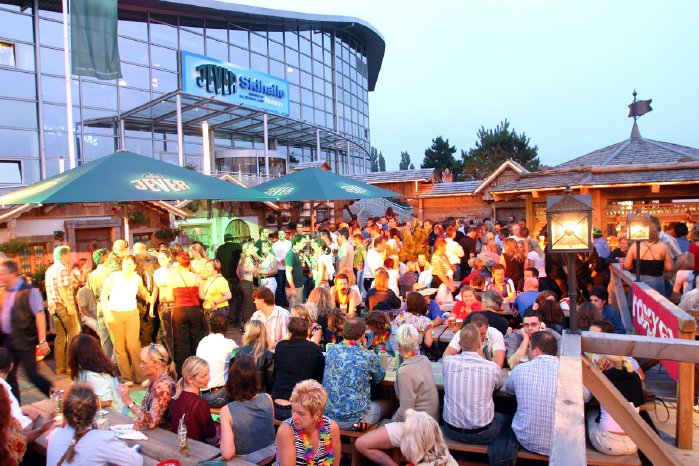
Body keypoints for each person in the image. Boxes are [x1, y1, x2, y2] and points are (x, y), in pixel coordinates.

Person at [494, 332, 589, 462]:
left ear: (536, 351)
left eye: (529, 348)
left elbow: (510, 390)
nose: (528, 351)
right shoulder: (570, 372)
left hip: (525, 439)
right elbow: (586, 396)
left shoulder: (521, 369)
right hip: (562, 445)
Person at [47, 384, 142, 466]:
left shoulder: (54, 435)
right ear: (95, 411)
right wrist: (122, 446)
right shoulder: (102, 440)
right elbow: (137, 462)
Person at [442, 323, 504, 445]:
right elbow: (498, 386)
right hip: (482, 434)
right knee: (505, 418)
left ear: (459, 344)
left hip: (451, 430)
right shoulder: (491, 367)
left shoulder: (447, 362)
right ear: (480, 344)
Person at [0, 260, 52, 403]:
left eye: (3, 274)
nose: (1, 277)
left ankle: (56, 396)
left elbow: (40, 315)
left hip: (24, 339)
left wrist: (42, 341)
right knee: (8, 375)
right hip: (9, 340)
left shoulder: (29, 291)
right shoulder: (5, 292)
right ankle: (15, 408)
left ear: (12, 274)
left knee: (32, 375)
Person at [323, 317, 388, 430]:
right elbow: (379, 378)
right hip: (356, 422)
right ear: (363, 335)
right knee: (387, 404)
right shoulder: (368, 356)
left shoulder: (332, 350)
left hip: (329, 418)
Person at [101, 255, 150, 384]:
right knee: (120, 348)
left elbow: (142, 291)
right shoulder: (114, 277)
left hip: (131, 313)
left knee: (133, 346)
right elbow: (103, 296)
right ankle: (126, 377)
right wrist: (107, 313)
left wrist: (149, 297)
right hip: (114, 314)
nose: (126, 266)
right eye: (124, 263)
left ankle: (141, 376)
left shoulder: (137, 278)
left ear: (134, 266)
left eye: (129, 264)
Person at [220, 354, 277, 462]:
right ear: (255, 378)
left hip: (245, 461)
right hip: (270, 457)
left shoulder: (226, 411)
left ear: (232, 381)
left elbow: (228, 454)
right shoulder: (268, 398)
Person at [587, 355, 644, 456]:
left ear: (607, 361)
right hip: (634, 443)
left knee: (590, 413)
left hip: (608, 444)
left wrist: (599, 371)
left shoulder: (604, 376)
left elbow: (587, 397)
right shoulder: (636, 378)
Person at [275, 379, 341, 466]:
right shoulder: (286, 431)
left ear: (317, 414)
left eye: (301, 414)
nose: (294, 417)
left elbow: (335, 463)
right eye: (293, 410)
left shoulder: (331, 428)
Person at [271, 317, 325, 420]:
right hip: (299, 407)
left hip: (276, 404)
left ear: (290, 332)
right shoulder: (313, 348)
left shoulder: (281, 346)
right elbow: (319, 377)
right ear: (306, 332)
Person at [117, 344, 175, 430]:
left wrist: (128, 401)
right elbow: (144, 410)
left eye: (144, 362)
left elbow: (151, 421)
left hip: (163, 437)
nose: (140, 366)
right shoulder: (154, 380)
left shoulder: (163, 385)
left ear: (157, 364)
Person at [45, 245, 80, 376]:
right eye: (68, 255)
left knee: (60, 337)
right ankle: (70, 367)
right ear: (63, 255)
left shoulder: (50, 270)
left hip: (54, 307)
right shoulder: (62, 269)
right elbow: (61, 288)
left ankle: (59, 368)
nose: (69, 257)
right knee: (73, 334)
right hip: (63, 306)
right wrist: (69, 306)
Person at [391, 324, 438, 422]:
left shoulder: (404, 372)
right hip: (432, 420)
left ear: (398, 345)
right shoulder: (425, 360)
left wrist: (391, 421)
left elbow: (406, 411)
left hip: (419, 425)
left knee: (365, 438)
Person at [168, 252, 205, 376]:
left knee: (180, 342)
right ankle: (197, 370)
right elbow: (202, 296)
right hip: (194, 310)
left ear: (178, 264)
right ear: (189, 263)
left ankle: (183, 372)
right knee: (196, 339)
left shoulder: (172, 278)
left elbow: (168, 297)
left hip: (179, 310)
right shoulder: (196, 277)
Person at [68, 334, 125, 413]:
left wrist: (81, 403)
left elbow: (107, 402)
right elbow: (74, 388)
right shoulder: (85, 370)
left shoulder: (93, 375)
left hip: (112, 415)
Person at [169, 356, 217, 444]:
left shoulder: (176, 396)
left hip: (179, 445)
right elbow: (211, 438)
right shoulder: (200, 404)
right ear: (190, 379)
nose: (209, 378)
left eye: (208, 374)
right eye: (204, 376)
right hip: (197, 451)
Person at [196, 312, 238, 408]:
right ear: (226, 327)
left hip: (202, 393)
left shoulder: (202, 342)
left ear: (210, 326)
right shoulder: (230, 344)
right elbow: (240, 360)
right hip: (219, 395)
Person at [624, 223, 673, 295]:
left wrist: (634, 266)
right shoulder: (663, 247)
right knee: (656, 304)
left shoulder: (635, 246)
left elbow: (627, 265)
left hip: (638, 280)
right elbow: (669, 267)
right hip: (656, 282)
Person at [88, 248, 114, 359]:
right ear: (104, 257)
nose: (110, 258)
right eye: (108, 256)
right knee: (115, 337)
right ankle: (118, 366)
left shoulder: (92, 274)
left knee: (104, 339)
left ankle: (107, 364)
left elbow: (92, 292)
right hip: (110, 303)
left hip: (99, 305)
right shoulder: (109, 272)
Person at [236, 320, 275, 393]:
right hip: (260, 396)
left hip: (241, 396)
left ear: (248, 334)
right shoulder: (268, 355)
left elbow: (232, 379)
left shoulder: (236, 353)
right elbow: (270, 382)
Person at [151, 250, 175, 361]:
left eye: (163, 258)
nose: (160, 261)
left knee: (174, 332)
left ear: (169, 258)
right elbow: (155, 289)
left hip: (174, 304)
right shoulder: (157, 272)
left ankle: (175, 357)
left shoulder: (174, 271)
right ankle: (170, 357)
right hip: (162, 304)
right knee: (165, 334)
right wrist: (152, 304)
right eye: (159, 259)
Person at [216, 232, 243, 326]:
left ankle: (228, 319)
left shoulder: (220, 248)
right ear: (233, 239)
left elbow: (218, 263)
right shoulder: (238, 247)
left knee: (227, 298)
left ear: (224, 240)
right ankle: (237, 319)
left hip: (224, 277)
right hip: (236, 276)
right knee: (237, 298)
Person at [133, 242, 157, 348]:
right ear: (144, 250)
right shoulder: (149, 264)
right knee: (146, 329)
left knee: (138, 331)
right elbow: (151, 285)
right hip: (145, 300)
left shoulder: (133, 264)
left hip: (137, 301)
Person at [238, 241, 259, 329]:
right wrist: (254, 270)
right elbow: (245, 268)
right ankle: (246, 325)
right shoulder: (247, 258)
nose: (253, 249)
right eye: (251, 248)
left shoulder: (242, 258)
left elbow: (237, 270)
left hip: (243, 283)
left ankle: (244, 324)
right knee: (248, 304)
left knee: (245, 304)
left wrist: (241, 279)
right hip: (247, 283)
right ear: (247, 249)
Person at [285, 234, 307, 308]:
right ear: (297, 242)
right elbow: (288, 272)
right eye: (303, 242)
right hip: (294, 287)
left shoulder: (295, 253)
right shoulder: (290, 254)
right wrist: (293, 288)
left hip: (298, 285)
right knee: (294, 309)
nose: (304, 244)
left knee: (298, 308)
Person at [272, 229, 292, 307]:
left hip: (288, 266)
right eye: (279, 234)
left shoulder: (289, 243)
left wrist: (287, 260)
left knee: (287, 285)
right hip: (279, 267)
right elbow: (274, 255)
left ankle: (286, 301)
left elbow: (291, 253)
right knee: (280, 285)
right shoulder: (275, 245)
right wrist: (280, 260)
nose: (280, 235)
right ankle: (280, 302)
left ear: (285, 234)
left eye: (282, 234)